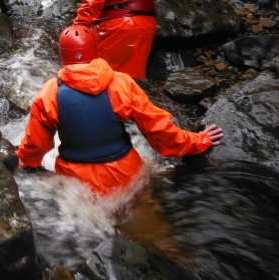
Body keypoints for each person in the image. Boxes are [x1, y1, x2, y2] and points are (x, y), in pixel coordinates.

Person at [17, 25, 223, 196]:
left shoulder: (49, 92)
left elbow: (36, 143)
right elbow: (158, 129)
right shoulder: (121, 83)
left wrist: (24, 161)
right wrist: (198, 141)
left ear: (63, 56)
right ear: (93, 50)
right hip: (127, 176)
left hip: (76, 186)